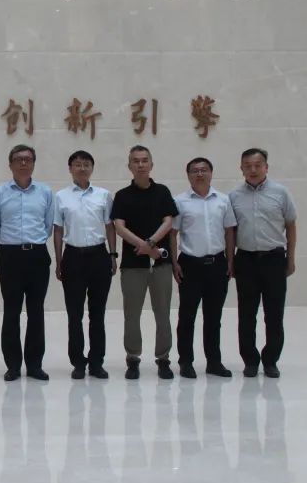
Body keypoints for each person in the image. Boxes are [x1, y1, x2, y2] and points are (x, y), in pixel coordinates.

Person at [111, 145, 179, 380]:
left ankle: (163, 358)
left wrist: (150, 244)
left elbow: (168, 222)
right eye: (135, 161)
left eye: (144, 160)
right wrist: (144, 246)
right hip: (132, 266)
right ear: (129, 165)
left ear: (151, 164)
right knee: (132, 315)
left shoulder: (162, 192)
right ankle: (132, 358)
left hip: (161, 264)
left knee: (163, 314)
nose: (140, 165)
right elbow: (119, 227)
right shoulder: (122, 195)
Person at [229, 148, 298, 378]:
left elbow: (291, 226)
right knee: (246, 314)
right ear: (241, 169)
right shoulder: (234, 196)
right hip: (246, 260)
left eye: (257, 165)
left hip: (274, 259)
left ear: (266, 167)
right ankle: (250, 361)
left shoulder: (281, 193)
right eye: (247, 166)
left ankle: (270, 361)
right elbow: (231, 231)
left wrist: (291, 258)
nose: (253, 170)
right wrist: (231, 261)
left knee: (274, 314)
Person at [0, 144, 53, 381]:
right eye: (18, 159)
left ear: (34, 163)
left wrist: (32, 242)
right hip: (10, 256)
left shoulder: (45, 192)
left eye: (28, 159)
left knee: (36, 311)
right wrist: (11, 244)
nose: (23, 163)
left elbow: (48, 226)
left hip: (37, 255)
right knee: (11, 311)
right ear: (10, 164)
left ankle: (35, 365)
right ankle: (13, 366)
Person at [52, 150, 116, 380]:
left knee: (97, 314)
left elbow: (110, 226)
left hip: (99, 256)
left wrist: (113, 255)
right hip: (73, 257)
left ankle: (97, 362)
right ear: (70, 169)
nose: (82, 168)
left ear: (92, 168)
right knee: (74, 314)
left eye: (86, 164)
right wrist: (59, 260)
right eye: (77, 164)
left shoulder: (103, 195)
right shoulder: (61, 197)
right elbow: (58, 230)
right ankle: (78, 362)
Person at [170, 157, 236, 379]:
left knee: (213, 317)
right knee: (186, 317)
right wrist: (174, 263)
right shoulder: (180, 201)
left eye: (204, 170)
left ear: (211, 173)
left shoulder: (223, 200)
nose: (200, 174)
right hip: (190, 265)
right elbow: (172, 233)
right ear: (188, 175)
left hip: (217, 264)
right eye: (195, 171)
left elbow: (229, 231)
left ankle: (214, 362)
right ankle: (186, 362)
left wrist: (230, 260)